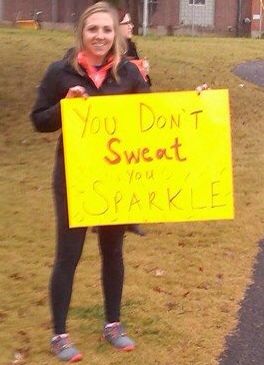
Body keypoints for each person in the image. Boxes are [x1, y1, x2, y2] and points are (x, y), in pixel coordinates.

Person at [31, 2, 149, 362]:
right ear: (81, 32)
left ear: (118, 34)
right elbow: (38, 120)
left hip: (114, 178)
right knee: (68, 254)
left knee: (113, 251)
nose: (100, 36)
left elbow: (150, 120)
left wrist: (198, 104)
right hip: (72, 178)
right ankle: (59, 334)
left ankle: (113, 324)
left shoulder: (129, 74)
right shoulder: (60, 72)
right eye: (93, 29)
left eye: (107, 30)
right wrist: (64, 108)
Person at [118, 8, 151, 86]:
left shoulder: (130, 46)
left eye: (131, 22)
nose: (131, 26)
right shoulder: (105, 52)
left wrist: (143, 71)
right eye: (127, 23)